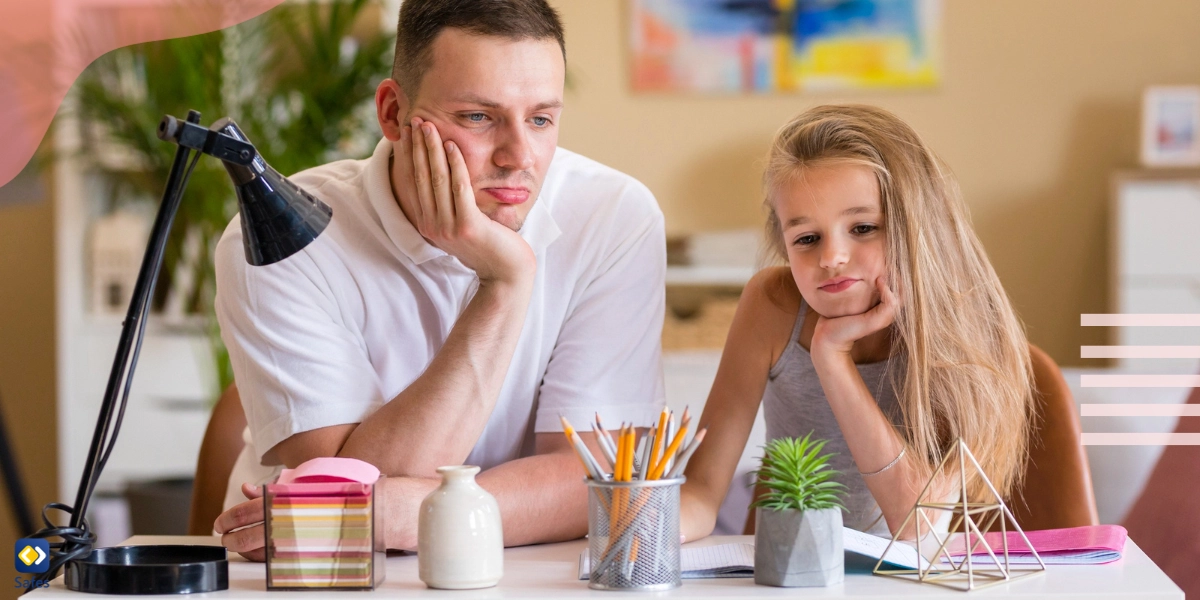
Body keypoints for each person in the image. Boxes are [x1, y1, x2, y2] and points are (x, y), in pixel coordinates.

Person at [212, 0, 666, 559]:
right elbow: (340, 488)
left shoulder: (612, 215)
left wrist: (408, 512)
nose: (519, 155)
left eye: (541, 119)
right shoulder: (283, 234)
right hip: (323, 576)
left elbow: (599, 479)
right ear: (392, 112)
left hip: (521, 572)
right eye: (479, 117)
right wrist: (507, 281)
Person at [679, 104, 1050, 542]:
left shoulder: (963, 330)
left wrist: (833, 359)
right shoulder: (772, 306)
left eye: (863, 228)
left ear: (916, 226)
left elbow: (918, 524)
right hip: (788, 578)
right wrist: (645, 531)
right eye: (807, 238)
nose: (832, 257)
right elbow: (702, 491)